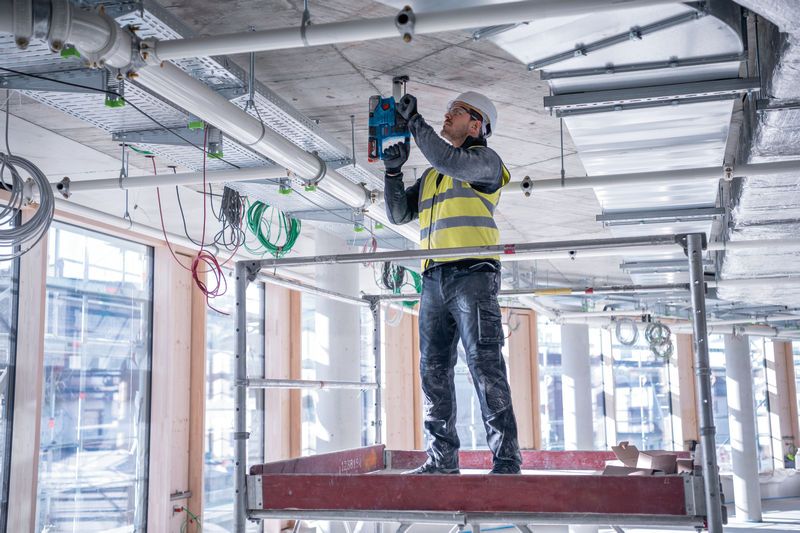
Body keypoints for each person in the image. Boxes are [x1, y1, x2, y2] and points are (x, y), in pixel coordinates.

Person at [382, 91, 523, 474]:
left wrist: (415, 124)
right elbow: (398, 214)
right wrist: (392, 173)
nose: (446, 117)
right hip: (433, 280)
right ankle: (442, 460)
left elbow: (448, 158)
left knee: (484, 365)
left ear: (475, 124)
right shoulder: (432, 176)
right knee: (433, 370)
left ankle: (507, 462)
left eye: (454, 112)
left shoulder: (487, 164)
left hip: (473, 275)